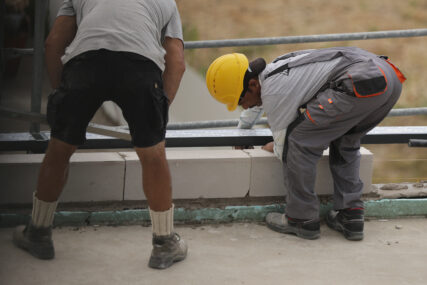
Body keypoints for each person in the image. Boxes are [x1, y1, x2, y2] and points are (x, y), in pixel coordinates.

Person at [13, 0, 187, 269]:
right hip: (140, 67)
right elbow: (176, 59)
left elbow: (52, 43)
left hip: (85, 63)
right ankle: (164, 243)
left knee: (59, 149)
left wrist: (63, 94)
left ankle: (38, 232)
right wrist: (159, 112)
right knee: (153, 154)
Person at [206, 47, 405, 241]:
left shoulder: (274, 92)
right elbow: (255, 106)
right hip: (387, 78)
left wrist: (272, 145)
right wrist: (241, 132)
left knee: (298, 142)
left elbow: (284, 144)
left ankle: (301, 218)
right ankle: (350, 215)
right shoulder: (274, 70)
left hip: (356, 81)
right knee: (346, 138)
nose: (244, 106)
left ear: (252, 85)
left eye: (241, 100)